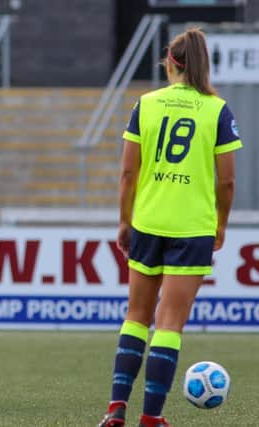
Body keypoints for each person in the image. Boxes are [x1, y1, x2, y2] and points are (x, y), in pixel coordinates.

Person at [97, 28, 241, 427]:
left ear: (171, 63)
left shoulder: (146, 104)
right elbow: (227, 181)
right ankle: (151, 417)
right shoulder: (218, 110)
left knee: (136, 317)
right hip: (192, 226)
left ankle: (115, 410)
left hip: (148, 221)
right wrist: (221, 224)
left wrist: (125, 219)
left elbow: (128, 171)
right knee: (169, 323)